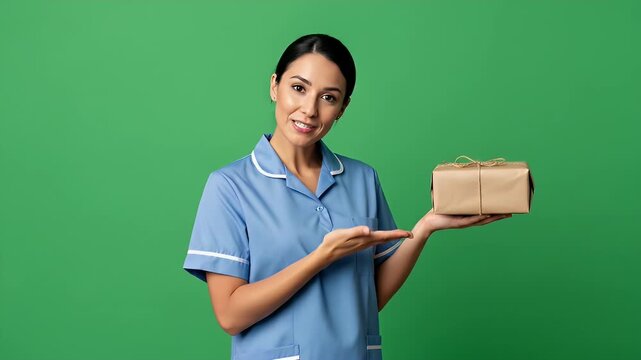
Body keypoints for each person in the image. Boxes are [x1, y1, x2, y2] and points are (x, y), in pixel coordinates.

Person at [182, 33, 511, 360]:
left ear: (342, 107)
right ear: (274, 86)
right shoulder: (229, 186)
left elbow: (368, 298)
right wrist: (321, 257)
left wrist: (426, 227)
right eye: (298, 88)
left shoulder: (362, 179)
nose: (309, 109)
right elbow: (230, 315)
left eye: (329, 97)